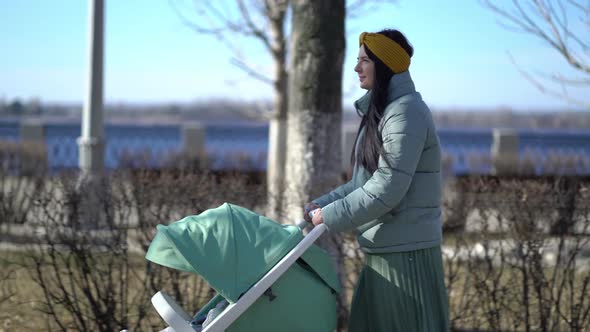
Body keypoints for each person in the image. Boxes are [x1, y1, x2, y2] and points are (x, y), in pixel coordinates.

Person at [304, 29, 449, 331]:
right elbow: (364, 182)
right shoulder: (385, 112)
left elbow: (387, 186)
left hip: (404, 255)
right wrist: (324, 204)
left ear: (384, 65)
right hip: (385, 249)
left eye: (365, 61)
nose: (356, 68)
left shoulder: (405, 113)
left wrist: (329, 217)